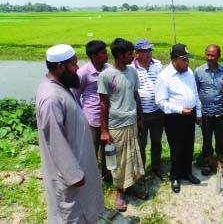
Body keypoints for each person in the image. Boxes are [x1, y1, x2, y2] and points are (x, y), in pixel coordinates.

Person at [36, 44, 104, 223]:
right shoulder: (51, 98)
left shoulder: (61, 86)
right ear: (60, 67)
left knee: (86, 209)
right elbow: (56, 142)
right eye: (73, 65)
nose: (78, 68)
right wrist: (73, 175)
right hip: (70, 175)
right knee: (72, 214)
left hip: (79, 163)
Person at [98, 38, 147, 212]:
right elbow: (103, 104)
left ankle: (132, 187)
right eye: (129, 54)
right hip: (116, 125)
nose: (132, 56)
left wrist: (140, 118)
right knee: (119, 160)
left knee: (133, 157)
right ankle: (120, 192)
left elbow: (136, 95)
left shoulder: (132, 72)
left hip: (132, 121)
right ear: (119, 55)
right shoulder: (106, 76)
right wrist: (104, 130)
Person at [155, 43, 202, 193]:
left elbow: (194, 93)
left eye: (188, 60)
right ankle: (175, 176)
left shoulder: (189, 72)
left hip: (190, 114)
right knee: (177, 148)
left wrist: (198, 113)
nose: (187, 63)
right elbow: (160, 102)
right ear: (174, 59)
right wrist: (180, 110)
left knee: (189, 145)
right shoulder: (164, 76)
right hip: (175, 117)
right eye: (184, 60)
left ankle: (187, 172)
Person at [72, 40, 112, 183]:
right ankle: (91, 178)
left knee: (108, 148)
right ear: (94, 56)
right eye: (103, 52)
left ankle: (107, 176)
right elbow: (75, 96)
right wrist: (81, 117)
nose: (107, 54)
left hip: (108, 116)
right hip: (92, 118)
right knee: (91, 150)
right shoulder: (83, 73)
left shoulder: (109, 68)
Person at [132, 39, 165, 180]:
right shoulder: (131, 68)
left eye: (150, 50)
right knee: (141, 143)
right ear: (137, 53)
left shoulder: (157, 64)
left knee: (157, 142)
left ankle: (156, 167)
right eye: (145, 51)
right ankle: (141, 172)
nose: (148, 53)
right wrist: (139, 117)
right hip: (141, 114)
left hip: (157, 112)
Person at [194, 44, 223, 176]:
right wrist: (197, 113)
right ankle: (208, 162)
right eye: (207, 54)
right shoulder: (198, 71)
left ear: (218, 56)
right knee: (207, 139)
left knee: (221, 139)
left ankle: (220, 162)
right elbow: (195, 93)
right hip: (205, 113)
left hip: (221, 112)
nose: (209, 57)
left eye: (212, 55)